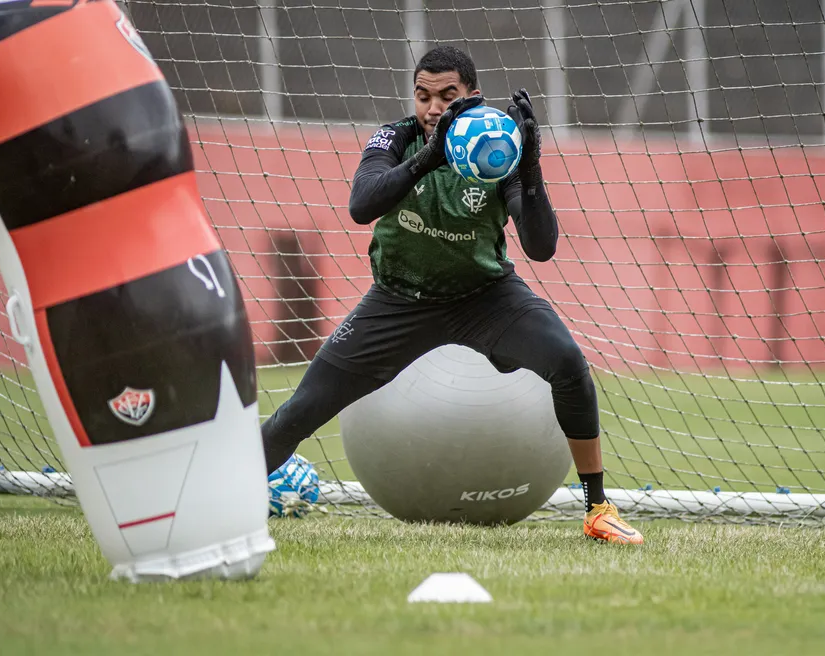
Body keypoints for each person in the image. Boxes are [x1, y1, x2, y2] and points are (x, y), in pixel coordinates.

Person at [261, 45, 643, 545]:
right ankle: (219, 495)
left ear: (472, 98)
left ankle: (597, 509)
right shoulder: (395, 138)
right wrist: (429, 156)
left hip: (483, 295)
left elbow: (541, 247)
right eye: (423, 95)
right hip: (397, 299)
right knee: (301, 409)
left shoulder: (495, 150)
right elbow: (361, 205)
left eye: (447, 96)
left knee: (568, 362)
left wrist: (529, 166)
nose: (433, 108)